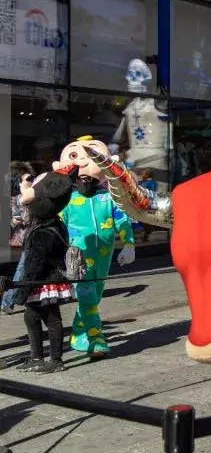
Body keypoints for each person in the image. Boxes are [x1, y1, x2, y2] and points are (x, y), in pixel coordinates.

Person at [56, 137, 136, 359]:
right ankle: (96, 340)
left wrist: (129, 244)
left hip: (103, 256)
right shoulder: (67, 201)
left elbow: (122, 220)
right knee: (87, 297)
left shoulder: (108, 198)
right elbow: (55, 227)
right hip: (76, 257)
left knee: (94, 297)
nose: (83, 164)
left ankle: (78, 334)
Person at [9, 165, 80, 373]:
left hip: (44, 282)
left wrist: (19, 291)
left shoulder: (42, 233)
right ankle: (37, 357)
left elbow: (33, 267)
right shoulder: (55, 224)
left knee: (51, 319)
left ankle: (55, 360)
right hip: (46, 280)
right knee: (33, 317)